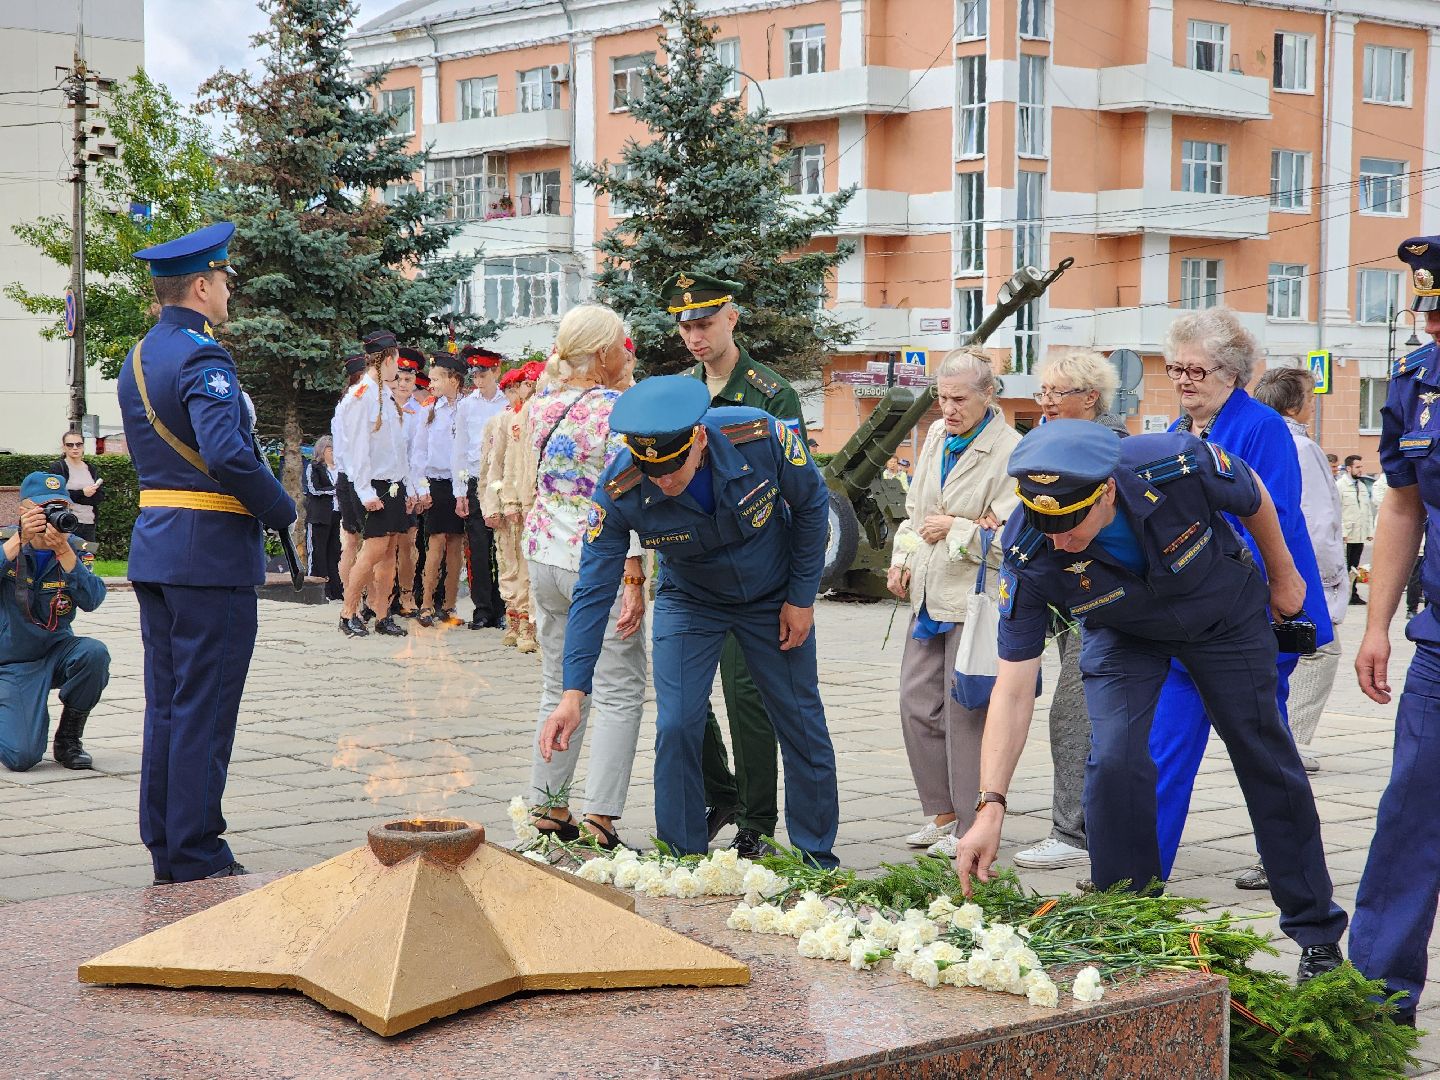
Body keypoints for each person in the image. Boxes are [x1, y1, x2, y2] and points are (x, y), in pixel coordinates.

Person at [951, 419, 1347, 982]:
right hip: (1123, 634)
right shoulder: (1028, 548)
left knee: (1265, 759)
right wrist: (990, 807)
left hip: (1223, 620)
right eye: (1045, 521)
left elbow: (1254, 493)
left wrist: (1284, 579)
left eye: (1069, 521)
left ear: (1106, 490)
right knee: (1113, 760)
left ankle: (1317, 935)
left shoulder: (1176, 462)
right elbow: (1012, 687)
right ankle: (1127, 924)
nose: (1057, 538)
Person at [542, 375, 842, 867]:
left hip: (773, 596)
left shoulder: (759, 436)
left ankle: (816, 854)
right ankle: (681, 858)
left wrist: (801, 597)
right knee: (678, 721)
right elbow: (594, 591)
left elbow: (811, 504)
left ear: (699, 438)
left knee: (800, 720)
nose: (662, 482)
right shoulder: (620, 486)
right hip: (692, 600)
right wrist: (573, 693)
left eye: (673, 468)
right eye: (650, 470)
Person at [117, 221, 297, 884]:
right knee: (207, 704)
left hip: (158, 549)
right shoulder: (201, 357)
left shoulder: (140, 357)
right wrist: (280, 508)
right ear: (200, 285)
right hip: (209, 558)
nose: (228, 289)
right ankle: (195, 849)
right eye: (223, 279)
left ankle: (167, 839)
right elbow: (225, 453)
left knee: (169, 703)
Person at [1148, 308, 1333, 890]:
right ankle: (1138, 873)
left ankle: (1288, 865)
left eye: (1196, 371)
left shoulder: (1262, 427)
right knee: (1163, 746)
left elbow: (1269, 515)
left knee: (1263, 750)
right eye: (1174, 368)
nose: (1183, 380)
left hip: (1252, 615)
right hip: (1186, 622)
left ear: (1231, 374)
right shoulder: (1178, 433)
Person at [665, 271, 810, 859]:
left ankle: (756, 819)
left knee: (749, 698)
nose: (694, 337)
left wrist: (797, 590)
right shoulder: (677, 392)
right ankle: (720, 791)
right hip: (692, 576)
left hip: (757, 577)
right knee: (682, 705)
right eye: (685, 326)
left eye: (704, 324)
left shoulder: (771, 393)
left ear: (732, 319)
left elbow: (799, 494)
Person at [1350, 235, 1440, 1027]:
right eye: (1427, 310)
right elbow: (1403, 503)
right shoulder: (1416, 381)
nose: (1433, 327)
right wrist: (1378, 623)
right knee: (1411, 812)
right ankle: (1374, 1002)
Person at [518, 306, 648, 849]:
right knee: (619, 687)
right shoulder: (617, 411)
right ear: (601, 352)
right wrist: (635, 573)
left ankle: (548, 807)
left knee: (558, 683)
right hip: (599, 561)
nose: (627, 350)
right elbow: (627, 495)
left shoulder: (539, 404)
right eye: (622, 343)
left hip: (544, 554)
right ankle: (601, 816)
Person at [886, 349, 1021, 859]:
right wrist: (902, 558)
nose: (949, 408)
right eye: (942, 398)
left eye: (960, 398)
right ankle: (940, 814)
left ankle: (969, 824)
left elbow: (1008, 533)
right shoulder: (938, 439)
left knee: (966, 710)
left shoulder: (1010, 449)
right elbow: (916, 513)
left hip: (974, 600)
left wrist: (956, 528)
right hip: (928, 591)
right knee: (916, 702)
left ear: (988, 395)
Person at [1012, 349, 1125, 871]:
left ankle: (1071, 831)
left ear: (1091, 399)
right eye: (1044, 392)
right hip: (1063, 596)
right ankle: (1095, 826)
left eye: (1060, 393)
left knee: (1075, 711)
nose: (1049, 402)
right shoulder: (1045, 445)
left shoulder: (1114, 450)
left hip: (1106, 602)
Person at [1252, 367, 1347, 775]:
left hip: (1268, 568)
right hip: (1300, 570)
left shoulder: (1261, 434)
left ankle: (1276, 735)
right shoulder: (1300, 446)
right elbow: (1315, 519)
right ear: (1294, 404)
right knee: (1321, 649)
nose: (1314, 405)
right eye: (1311, 397)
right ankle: (1289, 738)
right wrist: (1331, 579)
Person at [1, 472, 109, 771]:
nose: (52, 517)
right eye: (43, 509)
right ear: (22, 511)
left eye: (59, 507)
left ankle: (69, 739)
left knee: (94, 653)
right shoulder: (5, 542)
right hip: (13, 661)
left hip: (56, 651)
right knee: (21, 757)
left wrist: (63, 552)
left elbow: (93, 600)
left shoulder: (73, 547)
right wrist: (18, 540)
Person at [334, 332, 411, 639]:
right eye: (397, 362)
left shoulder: (384, 394)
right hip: (372, 484)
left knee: (389, 550)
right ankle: (348, 612)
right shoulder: (361, 395)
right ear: (389, 360)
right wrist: (365, 491)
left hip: (392, 483)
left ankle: (382, 614)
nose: (398, 370)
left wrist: (406, 486)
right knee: (373, 548)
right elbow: (357, 449)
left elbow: (396, 447)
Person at [452, 346, 508, 629]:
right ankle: (483, 609)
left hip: (501, 482)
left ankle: (503, 607)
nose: (478, 379)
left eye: (483, 373)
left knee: (503, 545)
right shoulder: (466, 406)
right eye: (474, 374)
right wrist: (459, 491)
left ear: (496, 371)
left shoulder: (507, 403)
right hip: (475, 480)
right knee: (477, 547)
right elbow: (459, 451)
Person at [486, 364, 539, 651]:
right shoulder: (502, 420)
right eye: (523, 385)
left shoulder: (539, 413)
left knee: (531, 566)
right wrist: (496, 502)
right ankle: (515, 619)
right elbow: (494, 465)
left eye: (532, 384)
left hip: (532, 499)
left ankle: (530, 625)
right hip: (511, 497)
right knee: (510, 562)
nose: (527, 391)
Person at [414, 350, 467, 628]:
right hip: (436, 484)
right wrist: (422, 487)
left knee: (456, 545)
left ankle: (448, 605)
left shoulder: (467, 408)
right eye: (430, 379)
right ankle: (425, 605)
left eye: (436, 379)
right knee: (434, 543)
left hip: (460, 483)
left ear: (454, 380)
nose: (431, 384)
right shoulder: (429, 411)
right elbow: (419, 453)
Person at [303, 436, 343, 601]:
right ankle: (317, 590)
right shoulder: (314, 467)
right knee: (318, 552)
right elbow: (314, 489)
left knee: (334, 552)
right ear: (322, 450)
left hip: (336, 515)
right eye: (330, 449)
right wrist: (334, 490)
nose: (333, 452)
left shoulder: (340, 469)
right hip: (319, 516)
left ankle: (335, 590)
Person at [47, 434, 105, 544]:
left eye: (78, 444)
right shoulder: (58, 468)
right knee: (65, 557)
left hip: (88, 522)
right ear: (64, 447)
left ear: (83, 446)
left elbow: (99, 496)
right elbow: (55, 494)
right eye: (70, 445)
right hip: (65, 522)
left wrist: (83, 496)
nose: (75, 448)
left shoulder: (91, 468)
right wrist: (82, 493)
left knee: (87, 558)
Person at [1338, 454, 1374, 605]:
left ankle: (1352, 594)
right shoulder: (1340, 486)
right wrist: (1342, 532)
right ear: (1348, 468)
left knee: (1354, 566)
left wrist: (1369, 531)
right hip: (1347, 533)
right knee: (1345, 566)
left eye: (1361, 467)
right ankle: (1343, 596)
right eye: (1357, 467)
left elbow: (1367, 510)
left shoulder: (1362, 486)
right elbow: (1336, 510)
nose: (1360, 470)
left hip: (1359, 534)